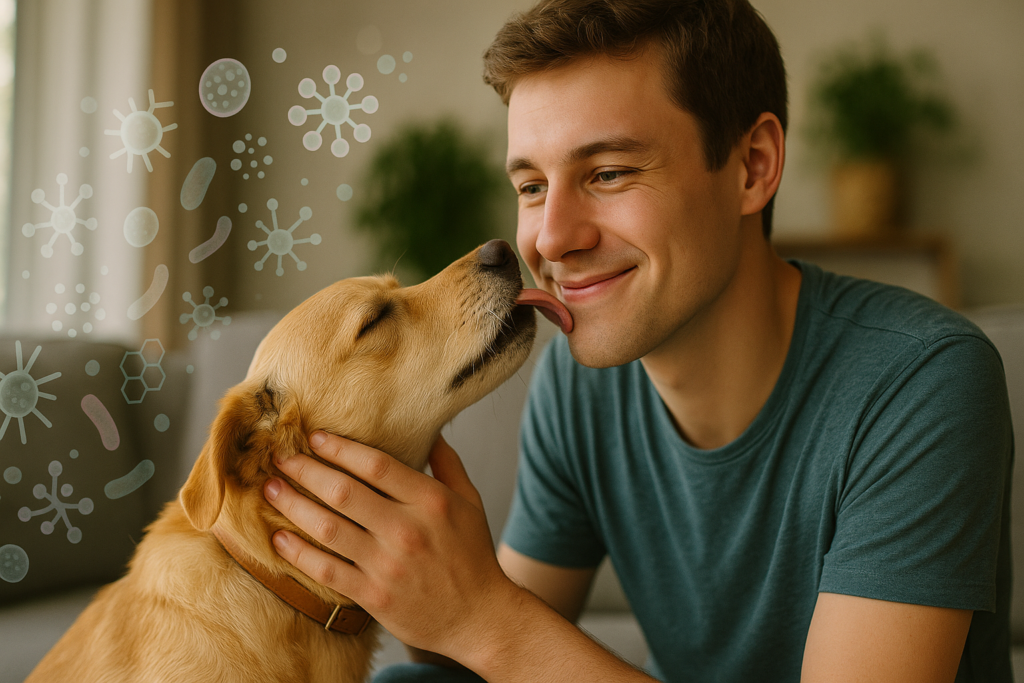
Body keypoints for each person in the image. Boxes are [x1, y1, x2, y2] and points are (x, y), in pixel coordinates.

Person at [262, 0, 1014, 680]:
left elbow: (494, 624)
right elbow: (465, 647)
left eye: (611, 171)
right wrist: (402, 559)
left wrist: (479, 614)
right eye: (530, 186)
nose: (550, 238)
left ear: (753, 168)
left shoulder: (921, 379)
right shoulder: (582, 382)